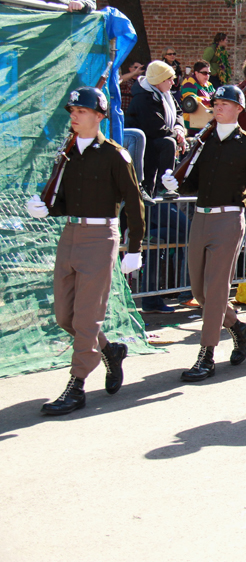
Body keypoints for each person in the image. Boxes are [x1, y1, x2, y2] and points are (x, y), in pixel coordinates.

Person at [25, 87, 144, 415]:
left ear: (99, 116)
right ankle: (110, 350)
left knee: (88, 316)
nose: (74, 115)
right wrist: (46, 209)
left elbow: (134, 203)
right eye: (72, 111)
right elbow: (62, 199)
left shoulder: (115, 155)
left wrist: (134, 247)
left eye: (81, 111)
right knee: (66, 315)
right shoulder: (67, 154)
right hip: (71, 234)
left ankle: (76, 385)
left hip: (100, 236)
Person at [161, 85, 246, 382]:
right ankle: (238, 328)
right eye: (217, 103)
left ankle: (206, 354)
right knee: (199, 291)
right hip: (201, 218)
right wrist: (177, 184)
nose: (219, 107)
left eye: (226, 103)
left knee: (215, 291)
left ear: (239, 108)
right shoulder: (205, 142)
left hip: (228, 220)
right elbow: (194, 182)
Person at [125, 60, 186, 197]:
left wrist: (180, 129)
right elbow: (155, 128)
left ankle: (165, 184)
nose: (173, 83)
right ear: (159, 80)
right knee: (168, 143)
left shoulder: (166, 94)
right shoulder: (143, 97)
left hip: (155, 141)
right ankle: (164, 185)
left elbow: (179, 113)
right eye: (170, 79)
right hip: (142, 147)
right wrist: (177, 136)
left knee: (169, 142)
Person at [180, 61, 216, 135]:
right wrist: (209, 101)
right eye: (204, 73)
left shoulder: (209, 85)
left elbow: (216, 97)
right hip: (191, 125)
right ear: (196, 73)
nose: (207, 76)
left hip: (206, 122)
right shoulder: (189, 82)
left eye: (209, 73)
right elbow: (190, 100)